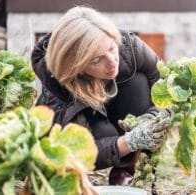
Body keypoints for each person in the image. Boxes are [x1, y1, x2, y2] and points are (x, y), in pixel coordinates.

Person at [31, 6, 170, 185]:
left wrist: (152, 117)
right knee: (104, 133)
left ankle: (129, 171)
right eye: (97, 60)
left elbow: (167, 83)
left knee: (139, 83)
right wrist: (129, 141)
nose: (112, 62)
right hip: (92, 127)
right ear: (76, 66)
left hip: (119, 109)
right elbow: (73, 152)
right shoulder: (57, 88)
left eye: (112, 49)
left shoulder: (128, 45)